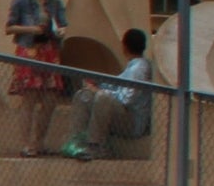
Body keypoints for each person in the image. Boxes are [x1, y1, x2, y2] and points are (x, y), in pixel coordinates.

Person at [59, 28, 159, 157]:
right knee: (84, 95)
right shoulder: (132, 67)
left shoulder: (140, 68)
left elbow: (126, 99)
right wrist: (97, 84)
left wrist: (99, 91)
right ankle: (77, 142)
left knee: (103, 97)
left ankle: (96, 146)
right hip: (120, 115)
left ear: (124, 47)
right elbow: (116, 84)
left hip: (132, 122)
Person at [4, 0, 69, 155]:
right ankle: (27, 143)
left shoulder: (55, 2)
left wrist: (60, 31)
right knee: (29, 99)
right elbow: (9, 27)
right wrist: (32, 29)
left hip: (49, 52)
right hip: (29, 51)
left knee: (50, 100)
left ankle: (39, 141)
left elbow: (63, 24)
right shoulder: (21, 1)